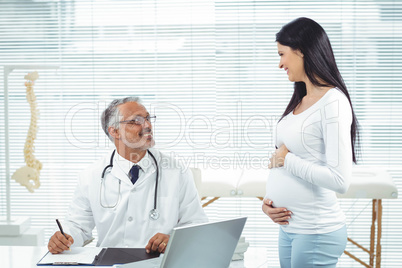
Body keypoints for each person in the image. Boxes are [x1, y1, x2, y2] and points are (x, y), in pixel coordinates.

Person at [48, 97, 208, 254]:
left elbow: (195, 224)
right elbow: (78, 227)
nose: (147, 125)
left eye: (147, 118)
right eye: (136, 121)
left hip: (158, 263)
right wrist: (63, 238)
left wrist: (172, 239)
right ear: (115, 131)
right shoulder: (91, 176)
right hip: (109, 263)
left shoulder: (177, 172)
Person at [262, 17, 359, 268]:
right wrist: (269, 202)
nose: (280, 63)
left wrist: (287, 159)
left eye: (282, 54)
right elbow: (286, 159)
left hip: (316, 231)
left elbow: (340, 180)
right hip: (291, 228)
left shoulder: (333, 103)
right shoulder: (301, 99)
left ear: (302, 51)